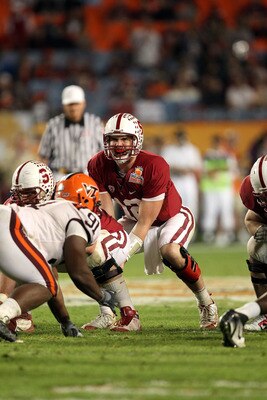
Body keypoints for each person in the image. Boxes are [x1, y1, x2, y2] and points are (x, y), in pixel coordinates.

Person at [87, 112, 218, 330]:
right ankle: (111, 313)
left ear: (136, 139)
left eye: (124, 138)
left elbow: (147, 222)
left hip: (170, 218)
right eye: (113, 138)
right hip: (132, 218)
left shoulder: (154, 165)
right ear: (105, 140)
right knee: (99, 250)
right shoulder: (98, 164)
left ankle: (206, 302)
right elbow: (107, 217)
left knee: (171, 252)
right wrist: (107, 243)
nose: (118, 144)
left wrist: (123, 254)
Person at [0, 172, 115, 342]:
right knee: (45, 283)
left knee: (47, 282)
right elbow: (78, 271)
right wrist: (102, 296)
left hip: (7, 221)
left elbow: (51, 284)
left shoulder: (51, 215)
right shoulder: (83, 215)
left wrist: (65, 321)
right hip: (9, 227)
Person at [220, 155, 267, 346]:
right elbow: (251, 218)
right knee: (255, 245)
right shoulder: (250, 190)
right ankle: (248, 315)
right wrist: (260, 231)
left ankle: (241, 315)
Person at [38, 85, 104, 181]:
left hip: (88, 176)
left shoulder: (95, 123)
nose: (73, 108)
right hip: (60, 176)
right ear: (63, 105)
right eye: (70, 104)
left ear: (83, 103)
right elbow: (43, 157)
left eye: (76, 103)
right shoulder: (53, 125)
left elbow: (104, 154)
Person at [200, 134, 236, 246]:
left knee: (226, 209)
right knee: (210, 210)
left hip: (224, 186)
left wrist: (215, 169)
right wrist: (221, 168)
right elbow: (206, 170)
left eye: (218, 142)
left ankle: (228, 233)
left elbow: (231, 168)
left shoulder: (226, 154)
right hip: (211, 187)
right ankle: (209, 234)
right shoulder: (208, 155)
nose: (216, 144)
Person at [161, 129, 202, 224]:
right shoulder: (169, 149)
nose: (180, 139)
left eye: (182, 136)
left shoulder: (192, 149)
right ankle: (174, 228)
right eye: (178, 137)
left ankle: (191, 229)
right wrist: (178, 169)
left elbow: (197, 166)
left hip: (189, 180)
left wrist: (187, 170)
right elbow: (164, 166)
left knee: (191, 204)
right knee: (175, 204)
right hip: (175, 179)